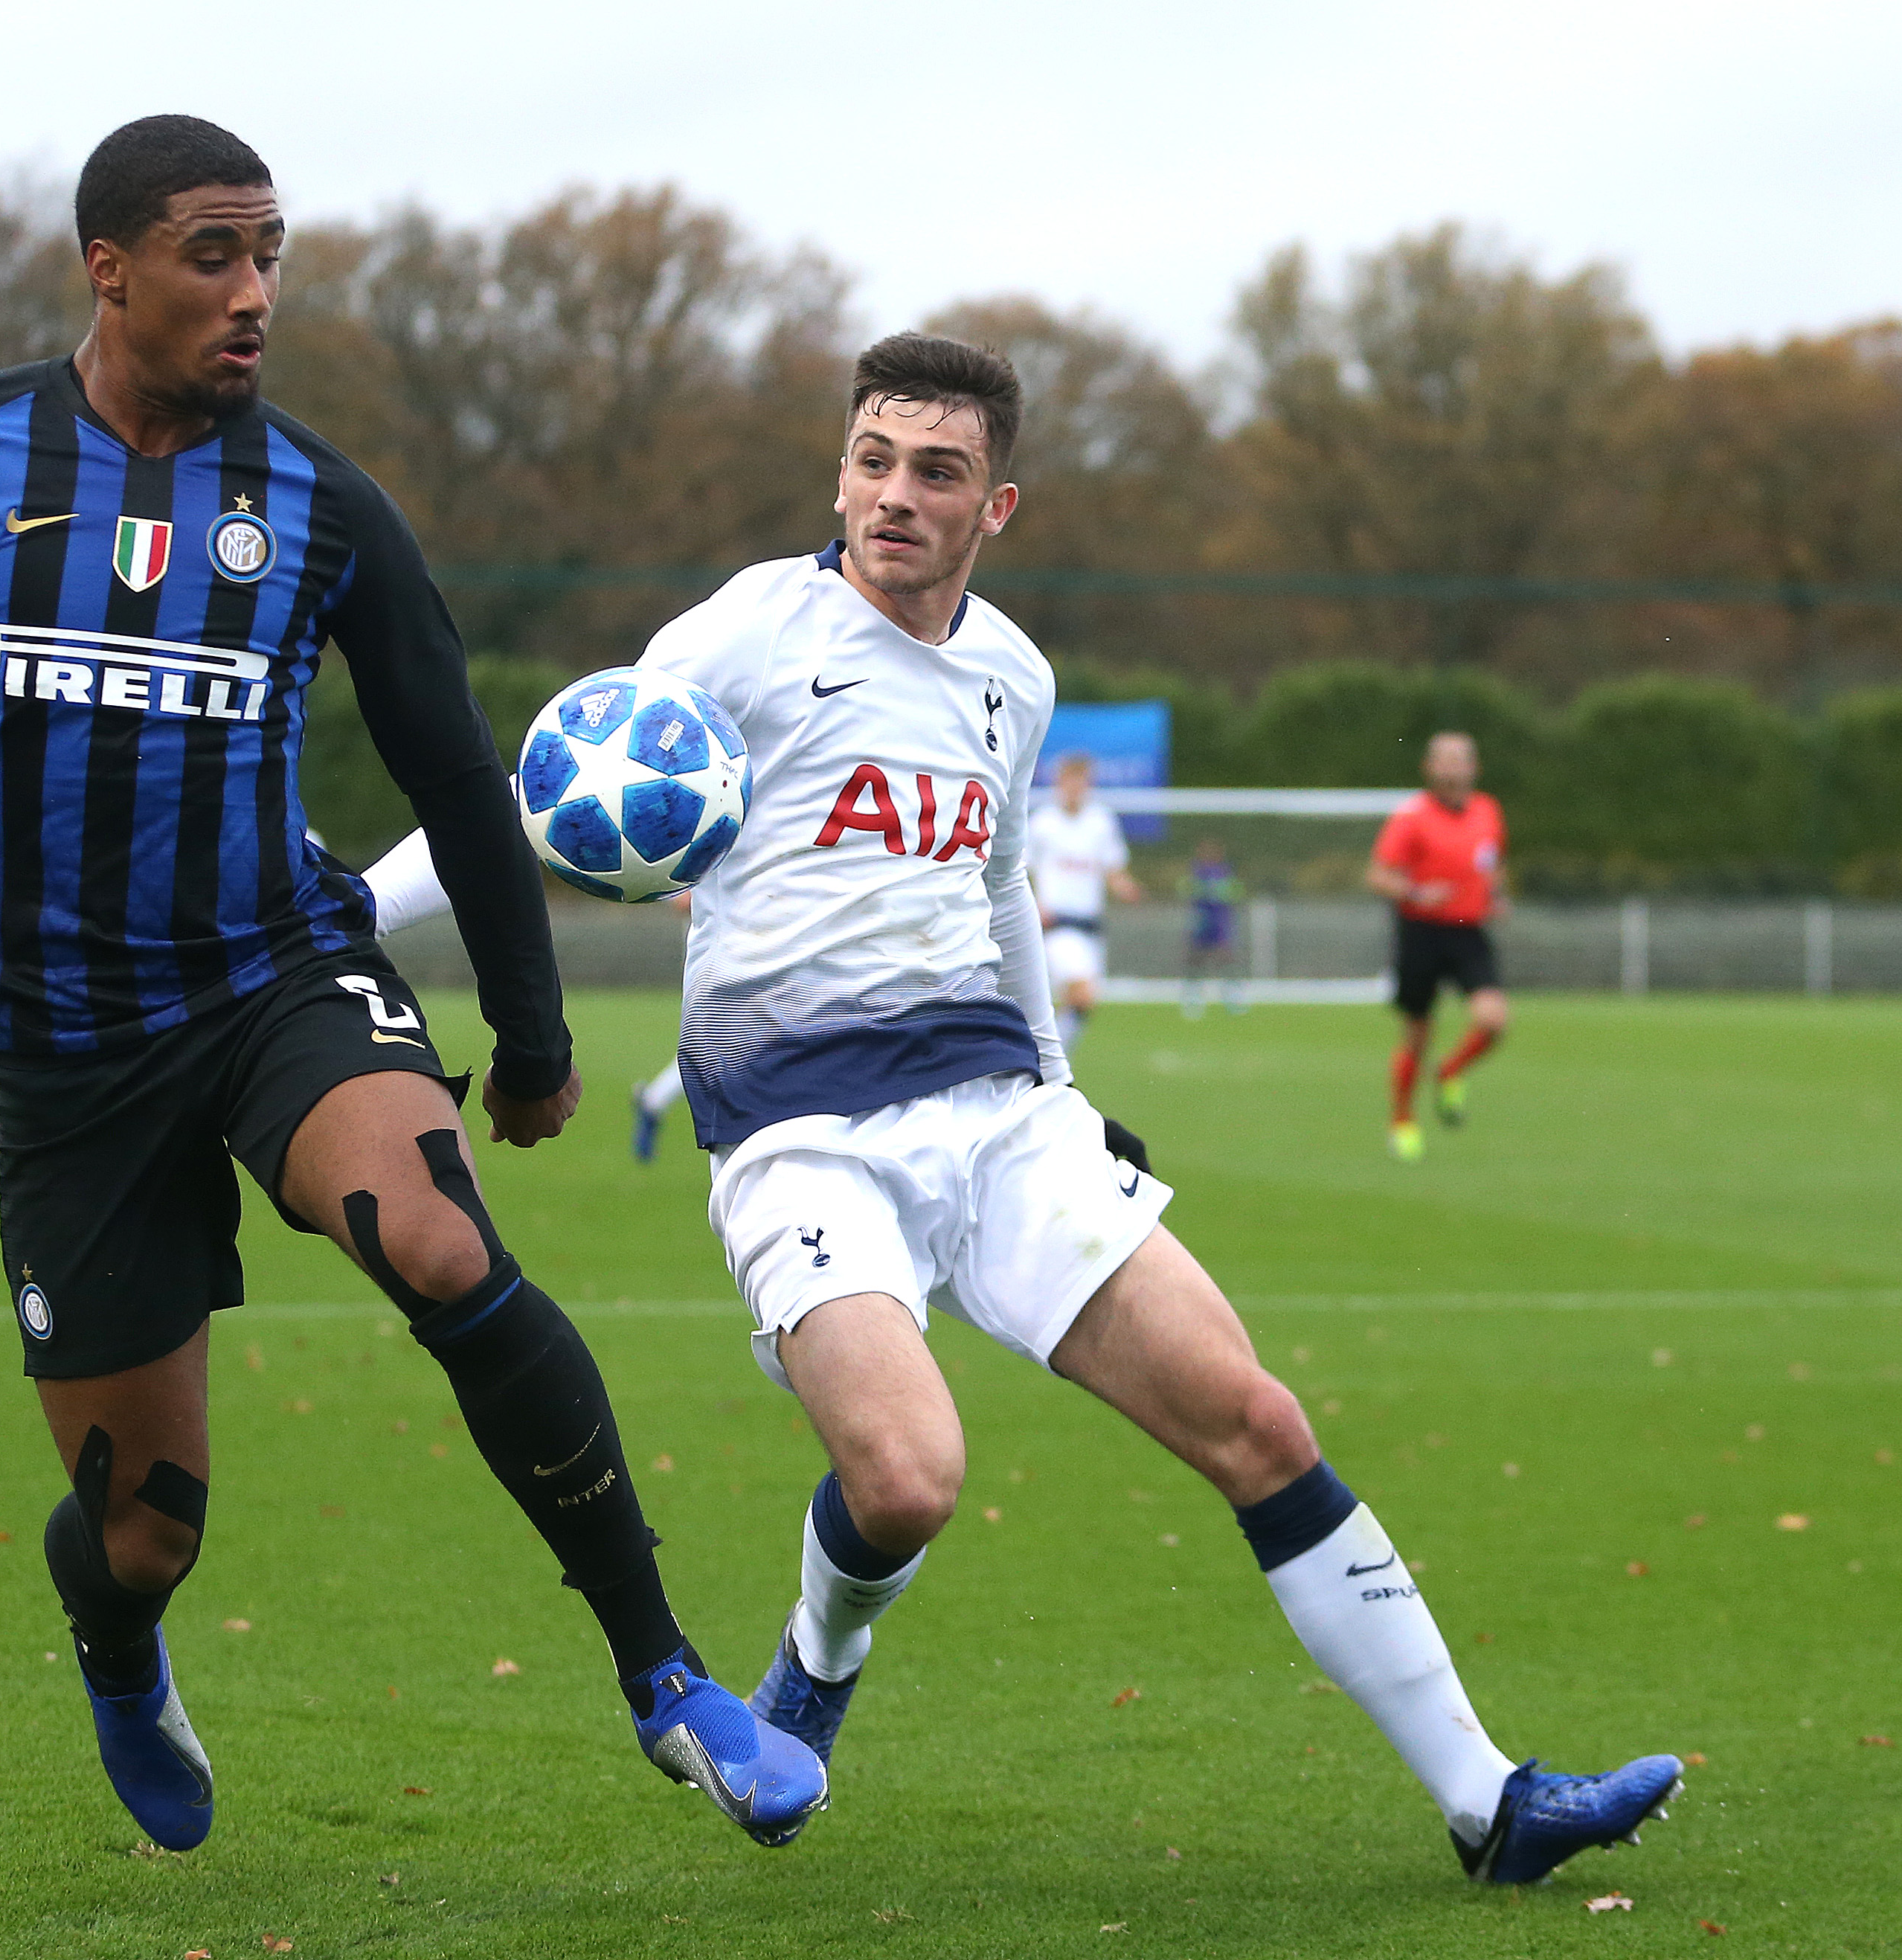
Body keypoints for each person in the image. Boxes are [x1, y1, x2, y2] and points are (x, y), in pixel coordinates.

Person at [0, 116, 820, 1857]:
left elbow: (454, 774)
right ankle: (121, 1650)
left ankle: (666, 1677)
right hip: (67, 1052)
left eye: (270, 254)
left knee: (439, 1240)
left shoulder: (324, 504)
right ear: (107, 268)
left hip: (277, 978)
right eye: (214, 254)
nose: (255, 290)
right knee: (143, 1532)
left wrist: (532, 1036)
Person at [366, 332, 1677, 1887]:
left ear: (995, 507)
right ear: (838, 474)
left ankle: (1491, 1804)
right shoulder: (749, 630)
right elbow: (540, 800)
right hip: (799, 1132)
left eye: (935, 472)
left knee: (1256, 1421)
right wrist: (343, 918)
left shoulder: (1014, 675)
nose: (893, 495)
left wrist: (1060, 1088)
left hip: (998, 1117)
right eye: (871, 461)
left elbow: (998, 895)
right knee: (905, 1481)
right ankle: (817, 1663)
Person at [1366, 732, 1509, 1163]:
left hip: (1468, 933)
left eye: (1459, 760)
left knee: (1494, 1020)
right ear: (1428, 768)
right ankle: (1402, 1118)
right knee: (1417, 1035)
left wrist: (1497, 895)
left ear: (1474, 768)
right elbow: (1378, 875)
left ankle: (1450, 1070)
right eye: (1443, 761)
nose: (1451, 769)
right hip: (1421, 932)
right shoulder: (1411, 816)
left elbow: (1492, 863)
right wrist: (1415, 892)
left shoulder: (1488, 810)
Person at [1023, 752, 1142, 1053]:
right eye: (1070, 780)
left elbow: (1112, 869)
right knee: (1082, 993)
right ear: (1059, 782)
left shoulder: (1101, 821)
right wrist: (1034, 905)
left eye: (1081, 781)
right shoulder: (1043, 822)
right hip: (1058, 924)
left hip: (1090, 926)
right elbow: (1022, 871)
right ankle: (1049, 1062)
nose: (1075, 787)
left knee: (1080, 1003)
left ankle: (1048, 1059)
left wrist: (1127, 888)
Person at [629, 891, 693, 1160]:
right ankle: (653, 1100)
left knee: (717, 1046)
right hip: (722, 957)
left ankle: (653, 1100)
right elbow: (682, 900)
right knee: (714, 1045)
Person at [1179, 835, 1246, 1019]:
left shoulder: (1225, 871)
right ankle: (1193, 997)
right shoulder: (1196, 871)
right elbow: (1186, 889)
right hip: (1202, 921)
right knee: (1196, 958)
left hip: (1220, 921)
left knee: (1225, 957)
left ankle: (1232, 995)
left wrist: (1219, 892)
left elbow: (1236, 891)